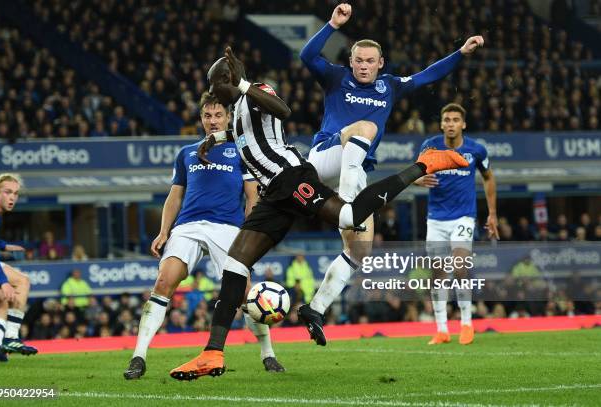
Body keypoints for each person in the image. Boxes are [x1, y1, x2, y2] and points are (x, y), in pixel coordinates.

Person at [168, 46, 468, 380]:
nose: (213, 92)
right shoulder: (236, 109)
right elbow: (246, 137)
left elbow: (281, 109)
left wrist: (242, 85)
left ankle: (424, 163)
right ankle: (212, 353)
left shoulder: (255, 92)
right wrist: (216, 138)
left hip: (292, 177)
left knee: (350, 217)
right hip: (273, 196)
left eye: (217, 83)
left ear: (230, 78)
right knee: (235, 263)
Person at [299, 3, 485, 345]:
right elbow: (307, 56)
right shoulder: (336, 77)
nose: (364, 66)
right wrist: (331, 25)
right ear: (351, 62)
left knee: (360, 250)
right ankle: (348, 207)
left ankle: (315, 309)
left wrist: (460, 52)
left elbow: (428, 75)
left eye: (370, 61)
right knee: (367, 127)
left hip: (354, 172)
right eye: (359, 60)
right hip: (326, 158)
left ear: (380, 63)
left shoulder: (389, 86)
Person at [123, 91, 286, 379]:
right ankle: (138, 357)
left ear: (228, 118)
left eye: (218, 115)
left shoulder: (241, 151)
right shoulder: (186, 153)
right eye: (207, 116)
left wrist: (253, 235)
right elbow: (174, 197)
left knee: (246, 292)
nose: (213, 121)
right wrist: (163, 231)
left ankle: (268, 354)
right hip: (188, 226)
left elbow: (252, 198)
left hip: (227, 227)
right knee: (163, 281)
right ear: (201, 119)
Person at [415, 103, 499, 345]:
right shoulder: (430, 146)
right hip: (436, 219)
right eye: (447, 120)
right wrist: (419, 181)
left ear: (463, 124)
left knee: (460, 266)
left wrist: (492, 213)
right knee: (438, 274)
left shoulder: (476, 150)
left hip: (464, 216)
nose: (451, 124)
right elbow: (415, 174)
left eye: (455, 120)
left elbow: (489, 177)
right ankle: (442, 330)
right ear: (441, 124)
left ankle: (466, 324)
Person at [0, 174, 37, 361]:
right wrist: (3, 281)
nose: (12, 197)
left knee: (2, 300)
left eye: (15, 193)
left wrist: (3, 245)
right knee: (22, 281)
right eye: (8, 192)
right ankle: (11, 337)